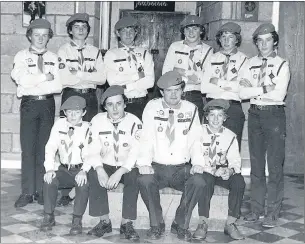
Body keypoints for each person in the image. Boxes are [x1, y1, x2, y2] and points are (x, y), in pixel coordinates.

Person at [137, 71, 206, 241]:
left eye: (177, 89)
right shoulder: (152, 107)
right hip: (157, 166)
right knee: (144, 180)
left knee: (198, 181)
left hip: (180, 168)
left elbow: (196, 140)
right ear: (162, 92)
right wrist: (144, 163)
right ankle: (156, 224)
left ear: (183, 90)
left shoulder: (191, 109)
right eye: (169, 90)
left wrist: (197, 163)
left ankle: (180, 224)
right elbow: (146, 137)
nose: (173, 94)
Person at [239, 23, 290, 228]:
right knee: (256, 165)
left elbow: (279, 94)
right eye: (260, 40)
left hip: (274, 116)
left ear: (275, 41)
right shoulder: (248, 63)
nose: (264, 44)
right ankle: (256, 210)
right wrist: (265, 88)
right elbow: (241, 93)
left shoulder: (282, 64)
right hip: (255, 114)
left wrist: (253, 89)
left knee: (275, 166)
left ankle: (272, 212)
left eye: (268, 39)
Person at [11, 18, 62, 208]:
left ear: (49, 37)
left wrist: (33, 81)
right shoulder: (21, 56)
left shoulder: (54, 58)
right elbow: (20, 79)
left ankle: (41, 190)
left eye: (45, 35)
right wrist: (43, 77)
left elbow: (57, 86)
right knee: (28, 148)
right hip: (29, 105)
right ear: (30, 35)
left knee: (44, 148)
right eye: (36, 35)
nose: (40, 39)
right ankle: (27, 192)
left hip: (47, 104)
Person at [57, 12, 106, 206]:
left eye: (84, 27)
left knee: (89, 138)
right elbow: (65, 79)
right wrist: (87, 75)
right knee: (68, 138)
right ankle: (67, 188)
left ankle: (85, 183)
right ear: (70, 30)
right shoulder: (63, 51)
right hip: (70, 94)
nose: (80, 30)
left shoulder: (94, 52)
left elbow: (102, 79)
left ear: (87, 31)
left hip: (90, 97)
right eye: (76, 27)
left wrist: (78, 73)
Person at [85, 85, 142, 241]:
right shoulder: (97, 121)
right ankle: (104, 221)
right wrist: (99, 169)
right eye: (110, 104)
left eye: (118, 103)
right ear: (104, 107)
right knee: (93, 174)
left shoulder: (134, 122)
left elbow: (135, 151)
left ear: (125, 104)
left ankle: (126, 223)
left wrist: (121, 171)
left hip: (126, 166)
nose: (115, 108)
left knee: (135, 176)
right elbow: (92, 148)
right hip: (106, 164)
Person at [192, 99, 245, 241]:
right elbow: (195, 157)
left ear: (225, 118)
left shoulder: (230, 136)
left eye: (220, 115)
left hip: (221, 170)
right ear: (206, 117)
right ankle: (203, 222)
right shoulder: (198, 132)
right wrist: (211, 170)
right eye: (212, 115)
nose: (216, 119)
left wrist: (230, 171)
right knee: (206, 180)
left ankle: (231, 223)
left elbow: (235, 160)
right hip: (204, 169)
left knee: (239, 181)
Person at [40, 96, 91, 235]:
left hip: (80, 168)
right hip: (63, 168)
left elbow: (91, 153)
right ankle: (48, 216)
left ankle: (76, 220)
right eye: (69, 111)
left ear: (84, 112)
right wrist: (49, 168)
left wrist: (84, 170)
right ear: (65, 113)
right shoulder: (59, 124)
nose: (73, 115)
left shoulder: (88, 128)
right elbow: (50, 146)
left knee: (83, 184)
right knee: (49, 180)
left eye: (77, 111)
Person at [201, 22, 248, 149]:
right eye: (223, 37)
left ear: (237, 40)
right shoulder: (211, 59)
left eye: (231, 37)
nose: (226, 41)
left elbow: (241, 88)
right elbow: (204, 87)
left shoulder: (244, 60)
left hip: (233, 107)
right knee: (210, 145)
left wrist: (218, 82)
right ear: (219, 39)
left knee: (232, 145)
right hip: (213, 105)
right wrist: (231, 85)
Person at [162, 15, 213, 122]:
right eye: (188, 29)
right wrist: (192, 78)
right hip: (175, 94)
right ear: (183, 32)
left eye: (195, 29)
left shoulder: (208, 50)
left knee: (193, 131)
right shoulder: (175, 47)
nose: (191, 32)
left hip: (195, 96)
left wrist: (181, 71)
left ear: (201, 31)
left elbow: (205, 78)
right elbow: (166, 74)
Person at [104, 16, 154, 120]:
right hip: (121, 104)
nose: (128, 34)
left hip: (142, 102)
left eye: (131, 30)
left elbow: (150, 81)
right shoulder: (111, 54)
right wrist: (138, 75)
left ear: (136, 33)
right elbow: (113, 81)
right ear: (118, 33)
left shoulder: (144, 53)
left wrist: (127, 86)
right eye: (124, 31)